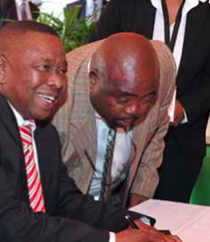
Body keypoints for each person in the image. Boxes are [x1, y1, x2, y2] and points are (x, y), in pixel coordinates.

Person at [0, 21, 187, 242]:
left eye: (62, 70)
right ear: (2, 68)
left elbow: (65, 199)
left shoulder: (39, 125)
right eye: (44, 68)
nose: (59, 81)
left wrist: (129, 223)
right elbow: (11, 225)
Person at [89, 0, 210, 203]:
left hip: (181, 139)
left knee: (167, 217)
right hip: (121, 132)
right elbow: (95, 53)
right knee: (109, 211)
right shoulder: (125, 5)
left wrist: (186, 109)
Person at [53, 33, 176, 208]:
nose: (136, 110)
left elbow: (157, 129)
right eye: (123, 99)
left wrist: (141, 192)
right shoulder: (60, 101)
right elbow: (50, 189)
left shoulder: (161, 68)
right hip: (71, 205)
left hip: (119, 198)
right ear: (93, 80)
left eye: (147, 98)